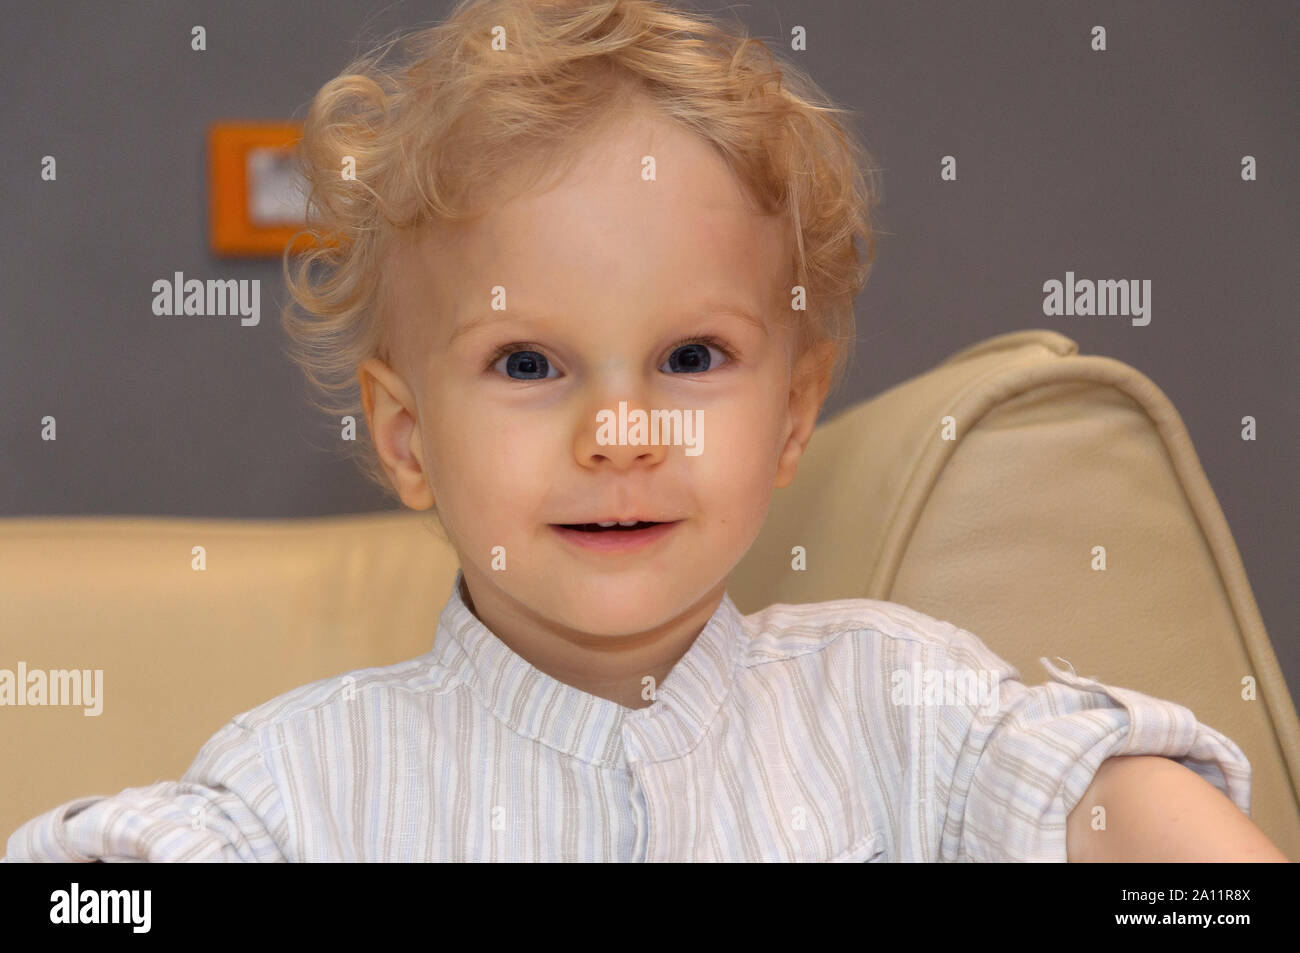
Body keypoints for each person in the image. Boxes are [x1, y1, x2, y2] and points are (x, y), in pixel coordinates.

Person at [4, 0, 1286, 862]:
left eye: (689, 357)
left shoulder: (903, 703)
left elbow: (1113, 807)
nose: (618, 429)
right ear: (405, 438)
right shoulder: (307, 785)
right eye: (526, 361)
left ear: (790, 419)